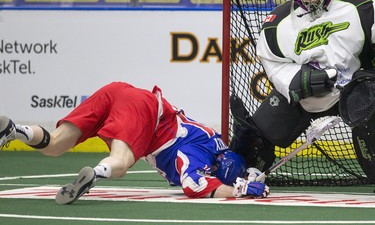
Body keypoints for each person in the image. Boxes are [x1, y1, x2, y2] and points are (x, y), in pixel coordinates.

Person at [0, 82, 269, 204]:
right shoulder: (195, 159)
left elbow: (233, 166)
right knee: (122, 161)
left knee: (57, 144)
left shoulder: (215, 142)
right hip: (144, 111)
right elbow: (195, 185)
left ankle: (16, 130)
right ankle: (96, 173)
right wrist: (238, 191)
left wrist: (249, 176)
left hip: (118, 90)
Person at [229, 0, 375, 181]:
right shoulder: (277, 23)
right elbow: (273, 64)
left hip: (356, 88)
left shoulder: (361, 2)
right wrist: (297, 80)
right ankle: (243, 174)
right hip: (305, 95)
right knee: (255, 139)